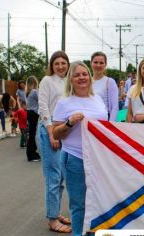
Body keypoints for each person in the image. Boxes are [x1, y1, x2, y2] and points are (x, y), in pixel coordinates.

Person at [53, 61, 108, 236]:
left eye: (84, 74)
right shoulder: (64, 102)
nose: (81, 78)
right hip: (74, 158)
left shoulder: (98, 99)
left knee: (97, 201)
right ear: (71, 80)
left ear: (90, 77)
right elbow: (56, 134)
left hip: (97, 158)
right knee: (79, 205)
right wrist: (70, 123)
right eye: (77, 75)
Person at [38, 50, 72, 233]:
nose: (60, 66)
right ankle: (52, 219)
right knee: (53, 176)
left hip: (62, 129)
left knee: (59, 177)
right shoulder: (47, 81)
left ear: (68, 64)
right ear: (51, 65)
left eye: (63, 63)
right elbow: (43, 108)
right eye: (56, 63)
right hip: (48, 129)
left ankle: (55, 211)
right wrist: (52, 133)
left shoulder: (68, 82)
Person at [90, 51, 119, 121]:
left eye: (101, 63)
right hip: (88, 121)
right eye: (95, 62)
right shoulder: (86, 81)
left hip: (104, 122)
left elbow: (114, 107)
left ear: (105, 65)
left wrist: (110, 125)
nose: (98, 65)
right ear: (91, 64)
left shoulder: (110, 82)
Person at [26, 75, 40, 162]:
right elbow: (42, 100)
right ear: (35, 82)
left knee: (32, 134)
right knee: (32, 135)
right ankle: (31, 155)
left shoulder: (28, 92)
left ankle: (33, 152)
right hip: (34, 113)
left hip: (29, 113)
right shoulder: (34, 91)